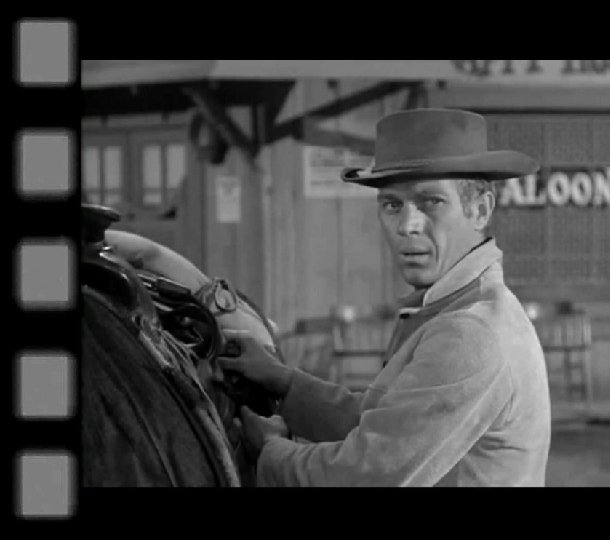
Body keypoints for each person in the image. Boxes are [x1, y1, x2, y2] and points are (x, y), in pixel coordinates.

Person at [108, 108, 552, 487]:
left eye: (431, 202)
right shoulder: (454, 309)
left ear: (480, 209)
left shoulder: (470, 332)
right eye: (392, 205)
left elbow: (368, 473)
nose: (407, 226)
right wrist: (284, 382)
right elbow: (382, 423)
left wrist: (270, 452)